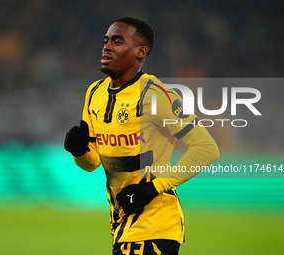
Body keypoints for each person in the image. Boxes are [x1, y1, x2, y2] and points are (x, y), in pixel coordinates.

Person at [64, 16, 220, 255]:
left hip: (155, 226)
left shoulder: (156, 95)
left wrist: (150, 189)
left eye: (117, 41)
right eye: (106, 41)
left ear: (140, 52)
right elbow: (93, 163)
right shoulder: (94, 93)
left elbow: (206, 149)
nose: (106, 46)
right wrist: (79, 152)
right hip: (123, 226)